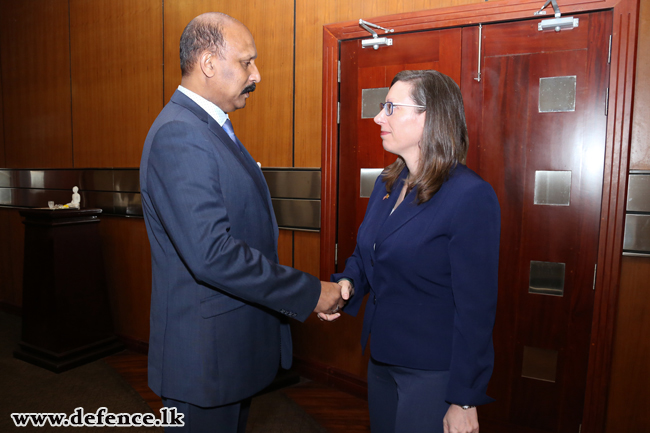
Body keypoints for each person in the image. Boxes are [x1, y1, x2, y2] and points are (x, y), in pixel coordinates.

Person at [140, 12, 346, 433]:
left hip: (226, 357)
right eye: (247, 61)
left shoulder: (209, 128)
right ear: (209, 64)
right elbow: (212, 255)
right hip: (203, 366)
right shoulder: (180, 134)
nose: (257, 75)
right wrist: (310, 293)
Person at [322, 70, 500, 433]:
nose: (378, 117)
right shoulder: (388, 182)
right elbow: (367, 253)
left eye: (390, 107)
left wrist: (464, 397)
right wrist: (348, 285)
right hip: (382, 359)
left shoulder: (470, 196)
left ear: (430, 117)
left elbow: (476, 309)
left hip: (433, 372)